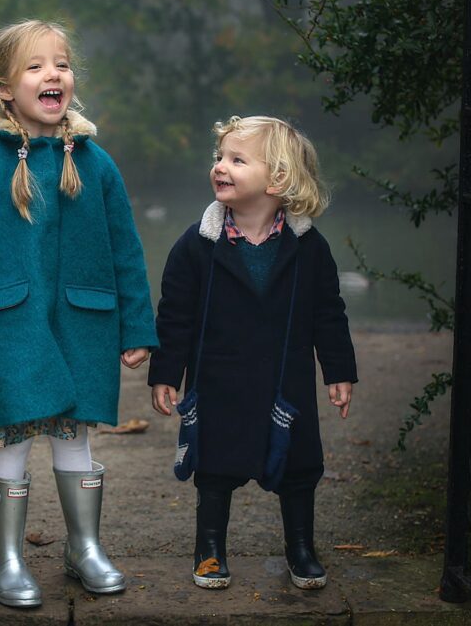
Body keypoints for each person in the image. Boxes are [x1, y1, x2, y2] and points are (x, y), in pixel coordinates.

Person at [0, 19, 158, 608]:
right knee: (10, 437)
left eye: (60, 63)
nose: (52, 73)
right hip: (9, 327)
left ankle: (84, 546)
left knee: (74, 435)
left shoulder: (98, 163)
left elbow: (126, 251)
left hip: (84, 321)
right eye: (34, 67)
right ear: (4, 87)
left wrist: (137, 326)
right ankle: (4, 557)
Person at [148, 115, 357, 591]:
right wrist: (166, 373)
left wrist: (338, 371)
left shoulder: (307, 248)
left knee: (299, 467)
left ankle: (300, 549)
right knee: (215, 467)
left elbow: (329, 312)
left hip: (288, 380)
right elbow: (175, 314)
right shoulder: (198, 244)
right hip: (219, 378)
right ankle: (209, 549)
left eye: (237, 160)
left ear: (279, 178)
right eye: (219, 158)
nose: (221, 167)